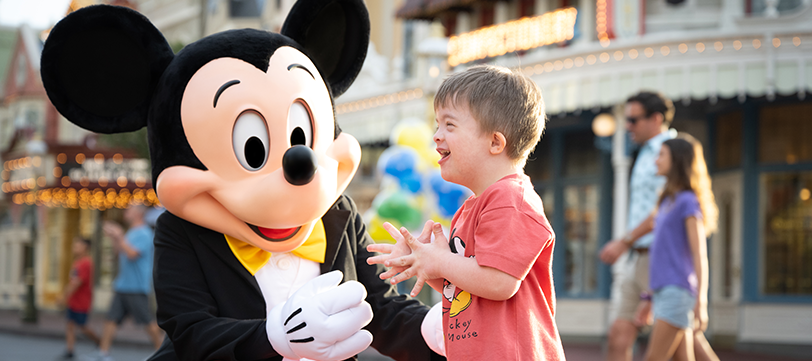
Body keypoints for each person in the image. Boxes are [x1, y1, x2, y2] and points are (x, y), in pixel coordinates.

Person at [368, 64, 565, 360]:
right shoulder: (472, 205)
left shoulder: (510, 198)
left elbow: (499, 282)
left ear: (495, 142)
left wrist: (438, 260)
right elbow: (461, 286)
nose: (436, 136)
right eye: (436, 125)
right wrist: (423, 261)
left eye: (449, 125)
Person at [598, 91, 675, 361]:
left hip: (662, 257)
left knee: (681, 346)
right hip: (639, 257)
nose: (628, 126)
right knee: (618, 335)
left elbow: (664, 212)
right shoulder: (645, 153)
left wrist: (624, 241)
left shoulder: (672, 152)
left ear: (656, 118)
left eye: (634, 120)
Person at [643, 135, 719, 361]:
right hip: (664, 291)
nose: (656, 161)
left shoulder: (687, 201)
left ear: (677, 160)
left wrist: (701, 302)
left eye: (661, 155)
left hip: (677, 292)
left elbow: (699, 254)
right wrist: (648, 297)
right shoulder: (667, 201)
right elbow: (664, 254)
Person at [97, 205, 163, 361]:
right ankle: (103, 354)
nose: (126, 211)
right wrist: (115, 238)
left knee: (148, 322)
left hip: (137, 287)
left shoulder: (145, 233)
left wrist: (119, 236)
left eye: (129, 209)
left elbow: (133, 254)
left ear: (138, 213)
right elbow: (119, 252)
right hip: (122, 285)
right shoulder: (131, 232)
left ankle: (162, 352)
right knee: (111, 319)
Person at [59, 237, 100, 359]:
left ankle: (99, 341)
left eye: (77, 246)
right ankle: (70, 350)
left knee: (83, 326)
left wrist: (64, 296)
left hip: (82, 300)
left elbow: (77, 282)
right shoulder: (77, 262)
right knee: (70, 324)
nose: (74, 248)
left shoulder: (86, 263)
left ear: (85, 247)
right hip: (74, 300)